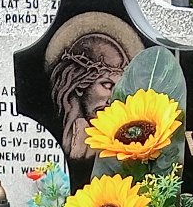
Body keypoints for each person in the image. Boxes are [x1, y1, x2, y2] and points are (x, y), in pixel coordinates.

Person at [44, 12, 142, 164]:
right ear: (80, 86)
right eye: (107, 85)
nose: (114, 98)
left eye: (120, 87)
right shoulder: (77, 136)